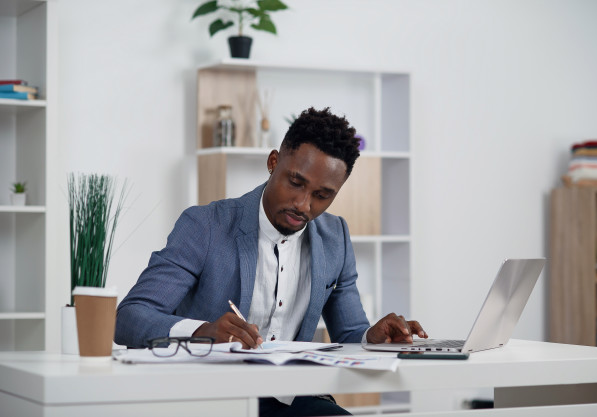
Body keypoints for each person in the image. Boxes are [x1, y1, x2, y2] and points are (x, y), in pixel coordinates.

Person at [115, 107, 428, 417]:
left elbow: (349, 334)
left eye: (322, 195)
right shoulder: (206, 225)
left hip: (289, 399)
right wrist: (202, 333)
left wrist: (372, 337)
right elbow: (129, 317)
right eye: (296, 182)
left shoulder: (336, 238)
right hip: (209, 398)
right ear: (273, 162)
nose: (303, 204)